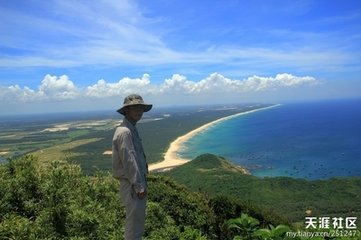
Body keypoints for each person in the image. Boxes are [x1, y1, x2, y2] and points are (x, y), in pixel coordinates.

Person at [112, 94, 152, 240]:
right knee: (134, 225)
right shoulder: (125, 132)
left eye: (140, 108)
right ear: (126, 111)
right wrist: (139, 186)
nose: (139, 111)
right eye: (134, 108)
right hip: (132, 186)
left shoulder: (130, 129)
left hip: (132, 184)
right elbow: (129, 161)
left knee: (136, 222)